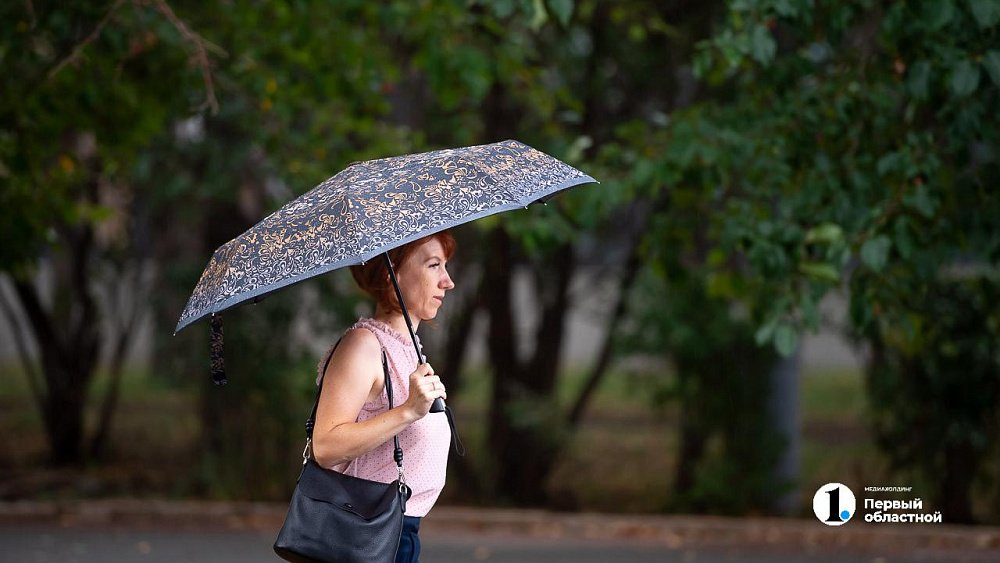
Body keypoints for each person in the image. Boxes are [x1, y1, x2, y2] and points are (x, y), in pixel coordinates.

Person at [312, 231, 456, 563]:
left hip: (399, 531)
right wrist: (408, 411)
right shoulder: (364, 346)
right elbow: (325, 447)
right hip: (365, 532)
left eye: (445, 266)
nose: (447, 282)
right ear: (391, 275)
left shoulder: (407, 347)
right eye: (434, 265)